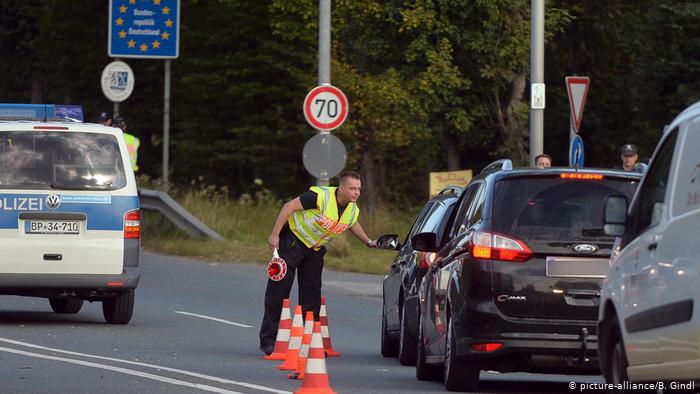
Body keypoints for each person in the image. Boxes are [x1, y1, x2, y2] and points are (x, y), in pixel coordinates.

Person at [259, 170, 377, 356]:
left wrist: (368, 241)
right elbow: (289, 207)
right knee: (278, 292)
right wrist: (274, 235)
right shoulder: (320, 196)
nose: (356, 192)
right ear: (341, 188)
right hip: (293, 242)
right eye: (352, 188)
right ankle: (269, 341)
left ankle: (310, 344)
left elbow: (352, 224)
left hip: (315, 250)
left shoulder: (352, 209)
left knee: (312, 296)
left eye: (359, 189)